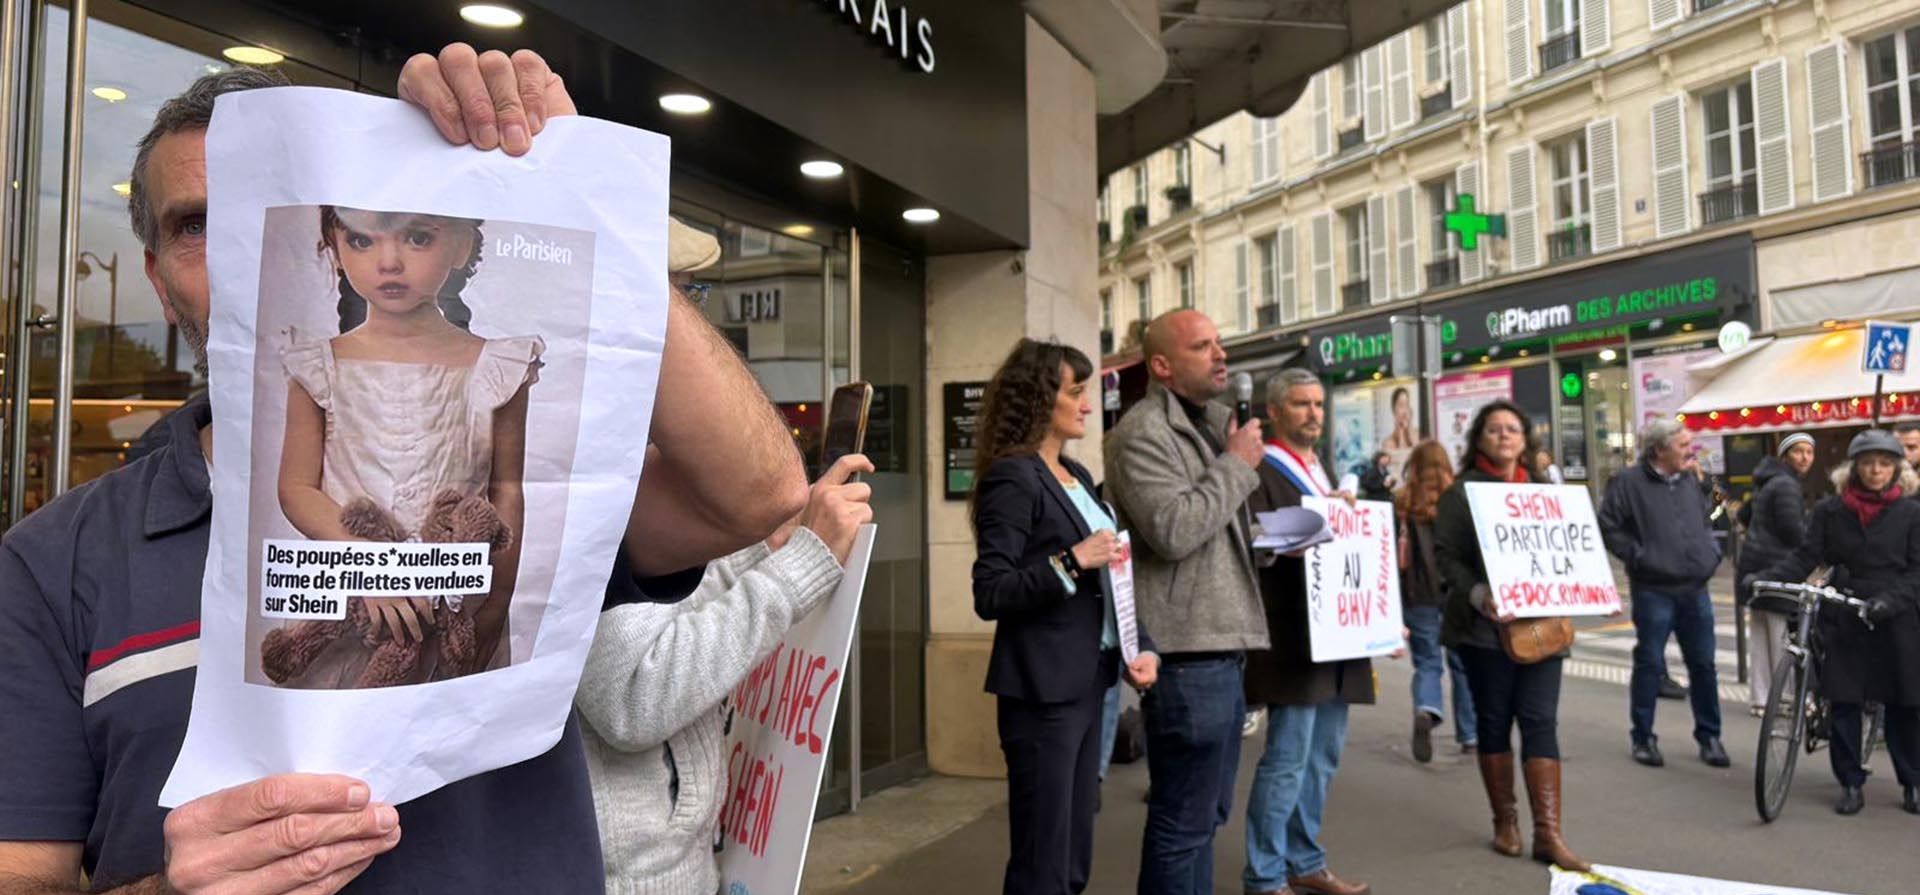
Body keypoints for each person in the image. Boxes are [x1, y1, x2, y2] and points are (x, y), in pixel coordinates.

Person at [0, 48, 810, 894]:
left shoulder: (526, 448)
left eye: (264, 206)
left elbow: (761, 493)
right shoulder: (55, 565)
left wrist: (573, 183)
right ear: (160, 283)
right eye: (199, 224)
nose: (241, 251)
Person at [577, 453, 874, 894]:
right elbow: (634, 694)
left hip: (680, 865)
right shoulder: (587, 490)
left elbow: (664, 612)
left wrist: (768, 547)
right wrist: (795, 570)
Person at [272, 208, 539, 687]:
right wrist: (369, 564)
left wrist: (495, 607)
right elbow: (296, 487)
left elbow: (507, 490)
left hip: (459, 620)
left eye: (417, 238)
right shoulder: (316, 365)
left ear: (461, 244)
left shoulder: (500, 366)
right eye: (361, 241)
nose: (389, 261)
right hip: (354, 619)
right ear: (333, 245)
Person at [970, 339, 1161, 894]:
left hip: (1092, 683)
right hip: (1043, 696)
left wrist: (1137, 645)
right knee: (1042, 863)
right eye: (1075, 391)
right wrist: (1071, 561)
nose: (1087, 403)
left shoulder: (1074, 472)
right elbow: (991, 591)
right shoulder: (1014, 476)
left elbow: (1111, 577)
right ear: (1037, 398)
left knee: (1073, 859)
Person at [1104, 309, 1267, 895]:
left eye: (1220, 343)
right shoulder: (1141, 435)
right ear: (1163, 366)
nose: (1221, 354)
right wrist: (1237, 466)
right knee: (1182, 824)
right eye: (1203, 346)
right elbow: (1172, 530)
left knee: (1206, 818)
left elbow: (1214, 526)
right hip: (1184, 649)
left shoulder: (1220, 425)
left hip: (1222, 643)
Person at [1434, 400, 1589, 872]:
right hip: (1485, 632)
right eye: (1495, 429)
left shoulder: (1545, 489)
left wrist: (1589, 585)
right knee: (1495, 721)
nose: (1504, 435)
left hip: (1544, 629)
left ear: (1526, 438)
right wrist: (1479, 594)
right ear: (1479, 438)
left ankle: (1549, 834)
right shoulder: (1461, 494)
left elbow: (1574, 546)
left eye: (1513, 429)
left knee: (1541, 721)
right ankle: (1506, 822)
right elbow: (1447, 558)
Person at [1240, 369, 1373, 895]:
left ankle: (1305, 861)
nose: (1313, 413)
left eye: (1318, 403)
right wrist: (1304, 529)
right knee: (1288, 761)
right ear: (1274, 412)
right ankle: (1266, 874)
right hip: (1293, 635)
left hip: (1337, 636)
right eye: (1300, 404)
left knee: (1321, 759)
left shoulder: (1321, 469)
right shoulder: (1261, 470)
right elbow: (1251, 544)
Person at [1754, 429, 1920, 816]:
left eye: (1883, 464)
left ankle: (1912, 780)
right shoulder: (1832, 511)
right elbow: (1807, 556)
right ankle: (1849, 781)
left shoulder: (1911, 513)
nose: (1875, 471)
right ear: (1853, 468)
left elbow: (1917, 572)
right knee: (1843, 702)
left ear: (1895, 469)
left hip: (1897, 614)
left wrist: (1890, 600)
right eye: (1866, 463)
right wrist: (1769, 577)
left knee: (1905, 705)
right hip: (1845, 608)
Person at [1597, 418, 1730, 770]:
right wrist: (1639, 557)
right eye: (1683, 445)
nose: (1691, 450)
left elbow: (1714, 514)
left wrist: (1712, 551)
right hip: (1654, 588)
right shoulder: (1628, 482)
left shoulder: (1692, 479)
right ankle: (1643, 737)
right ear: (1659, 450)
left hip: (1695, 588)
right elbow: (1608, 525)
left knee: (1703, 665)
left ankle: (1709, 736)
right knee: (1650, 664)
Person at [1397, 439, 1477, 762]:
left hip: (1418, 594)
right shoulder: (1458, 499)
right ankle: (1471, 735)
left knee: (1427, 660)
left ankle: (1427, 710)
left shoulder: (1402, 502)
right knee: (1462, 664)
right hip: (1455, 592)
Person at [1735, 432, 1815, 715]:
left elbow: (1743, 516)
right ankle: (1787, 697)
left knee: (1760, 634)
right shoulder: (1786, 486)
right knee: (1782, 636)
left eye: (1809, 452)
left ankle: (1761, 698)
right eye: (1798, 452)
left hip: (1753, 567)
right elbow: (1793, 532)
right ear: (1785, 456)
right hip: (1776, 569)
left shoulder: (1767, 480)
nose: (1805, 458)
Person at [1382, 387, 1417, 452]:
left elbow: (1420, 455)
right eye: (1401, 405)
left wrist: (1410, 426)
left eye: (1407, 405)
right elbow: (1401, 460)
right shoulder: (1388, 443)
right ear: (1393, 410)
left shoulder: (1417, 434)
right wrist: (1400, 432)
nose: (1405, 411)